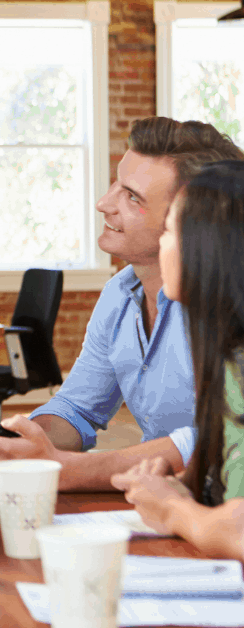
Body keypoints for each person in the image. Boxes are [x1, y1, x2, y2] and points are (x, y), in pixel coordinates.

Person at [0, 118, 244, 491]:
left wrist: (66, 470)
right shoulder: (119, 295)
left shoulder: (227, 311)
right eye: (117, 183)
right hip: (178, 498)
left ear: (191, 221)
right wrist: (21, 442)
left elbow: (220, 441)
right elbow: (77, 407)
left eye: (133, 196)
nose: (104, 203)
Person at [110, 159, 244, 560]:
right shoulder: (224, 361)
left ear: (206, 250)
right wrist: (182, 487)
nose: (161, 243)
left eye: (169, 230)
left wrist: (173, 508)